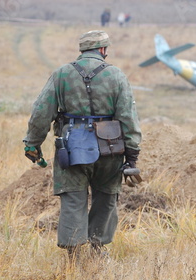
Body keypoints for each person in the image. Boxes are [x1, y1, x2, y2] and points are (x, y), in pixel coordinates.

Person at [23, 30, 141, 259]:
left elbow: (41, 112)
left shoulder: (62, 75)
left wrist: (33, 143)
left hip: (72, 148)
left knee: (73, 199)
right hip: (111, 148)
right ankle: (98, 250)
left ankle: (74, 256)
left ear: (82, 50)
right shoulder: (117, 76)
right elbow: (128, 117)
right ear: (103, 50)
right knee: (106, 197)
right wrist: (132, 154)